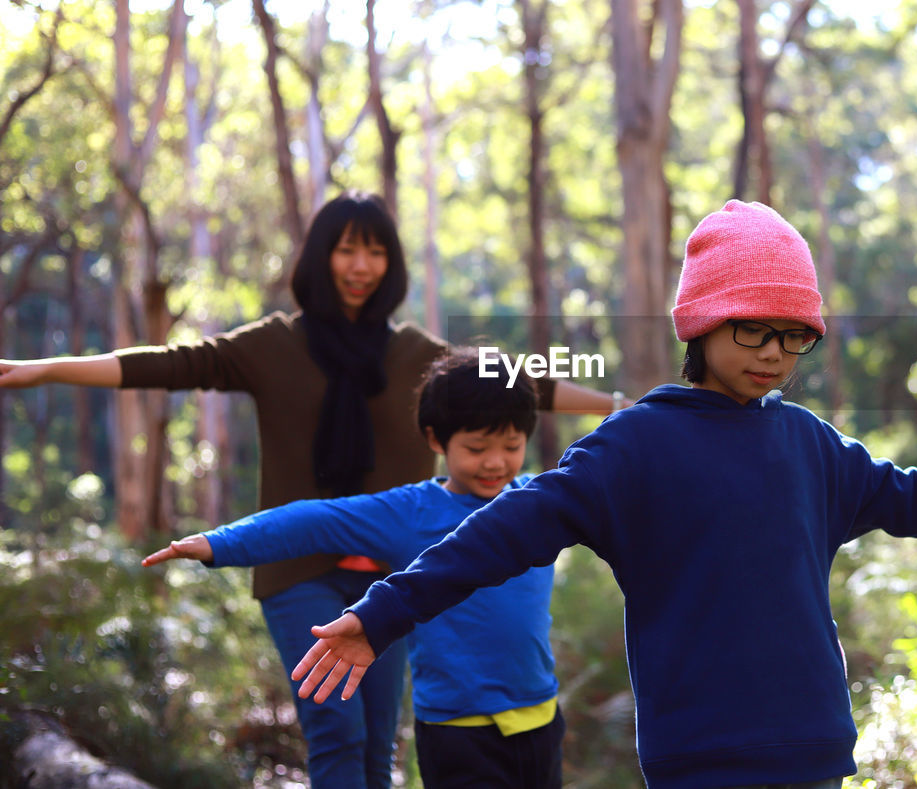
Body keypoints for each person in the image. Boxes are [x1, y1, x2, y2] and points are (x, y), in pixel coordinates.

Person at [287, 199, 917, 789]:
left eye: (794, 335)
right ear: (702, 325)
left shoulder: (809, 445)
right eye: (753, 328)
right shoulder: (634, 446)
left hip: (812, 742)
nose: (774, 352)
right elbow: (499, 533)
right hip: (699, 753)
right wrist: (384, 612)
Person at [0, 191, 621, 789]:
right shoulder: (273, 345)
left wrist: (620, 404)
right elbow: (170, 364)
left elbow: (516, 389)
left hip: (392, 570)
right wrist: (48, 367)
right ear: (320, 257)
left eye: (376, 252)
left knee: (381, 743)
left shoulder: (415, 355)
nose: (361, 266)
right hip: (302, 566)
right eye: (347, 249)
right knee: (336, 727)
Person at [142, 348, 569, 789]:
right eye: (477, 448)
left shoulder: (535, 503)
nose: (496, 462)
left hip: (540, 717)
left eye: (512, 446)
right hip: (457, 731)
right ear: (436, 440)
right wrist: (219, 543)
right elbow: (314, 520)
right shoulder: (411, 512)